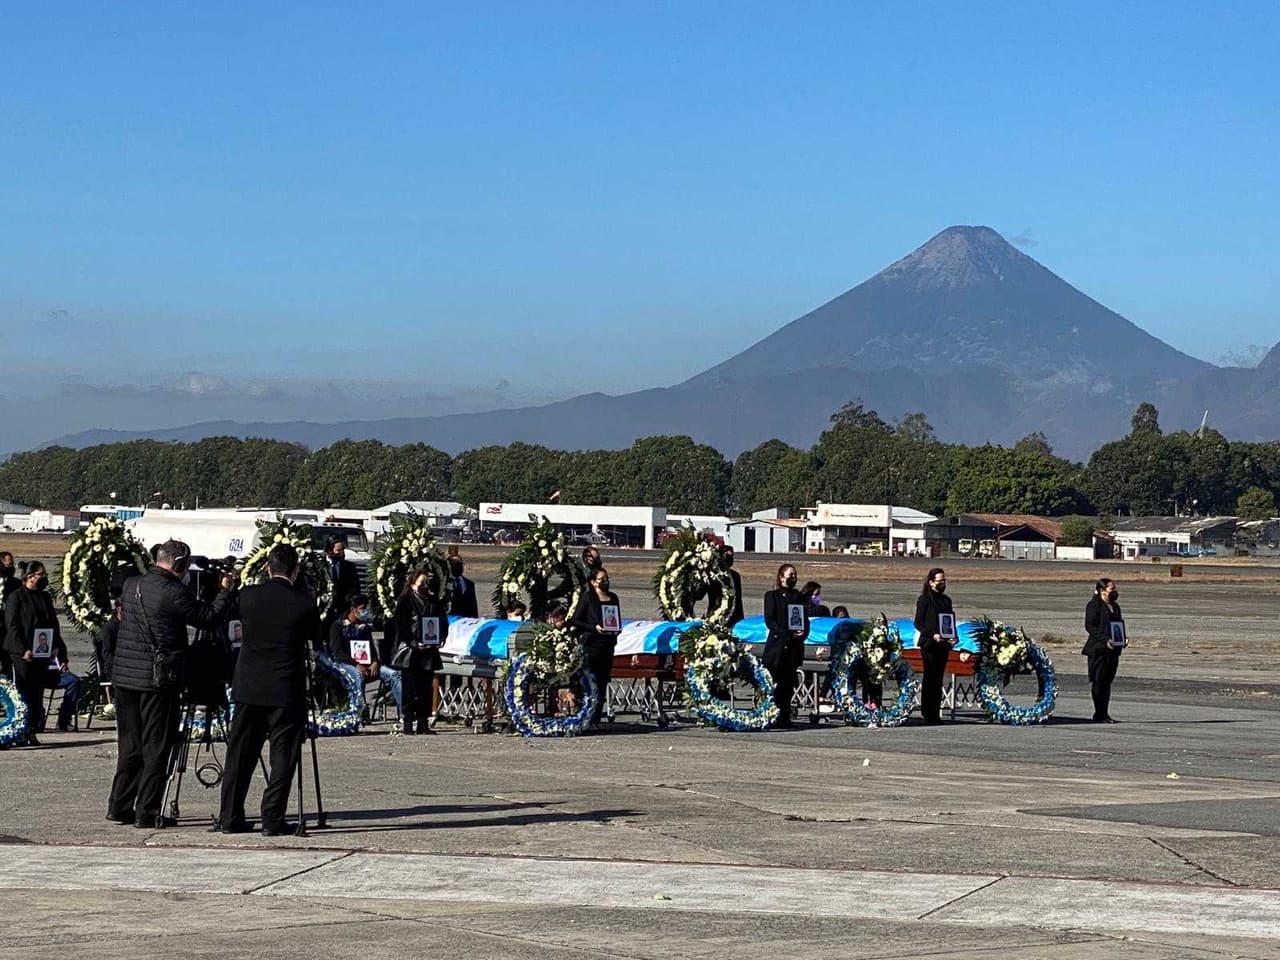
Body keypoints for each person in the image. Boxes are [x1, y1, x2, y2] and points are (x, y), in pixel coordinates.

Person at [108, 540, 235, 828]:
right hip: (157, 680)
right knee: (156, 746)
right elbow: (207, 619)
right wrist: (225, 591)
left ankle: (119, 805)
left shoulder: (132, 585)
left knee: (130, 744)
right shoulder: (173, 591)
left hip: (126, 677)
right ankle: (147, 810)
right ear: (177, 564)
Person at [215, 543, 317, 835]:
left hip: (249, 686)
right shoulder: (303, 603)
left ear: (267, 568)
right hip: (285, 688)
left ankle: (230, 817)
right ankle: (272, 818)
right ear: (295, 571)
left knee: (239, 756)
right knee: (282, 757)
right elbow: (315, 636)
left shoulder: (248, 596)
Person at [4, 562, 63, 744]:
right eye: (41, 574)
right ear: (30, 576)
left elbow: (53, 624)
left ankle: (32, 729)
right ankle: (21, 730)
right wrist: (23, 649)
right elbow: (12, 626)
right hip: (22, 652)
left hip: (42, 651)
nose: (44, 577)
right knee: (23, 692)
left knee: (37, 692)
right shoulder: (16, 597)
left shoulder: (44, 597)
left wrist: (57, 649)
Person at [392, 568, 448, 735]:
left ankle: (423, 722)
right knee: (409, 688)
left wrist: (440, 637)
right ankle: (408, 723)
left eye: (427, 583)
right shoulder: (405, 601)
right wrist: (413, 642)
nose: (425, 586)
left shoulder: (433, 600)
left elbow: (442, 621)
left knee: (426, 688)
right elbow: (401, 625)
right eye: (421, 583)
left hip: (429, 650)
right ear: (412, 583)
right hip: (410, 652)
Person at [327, 593, 402, 714]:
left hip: (368, 664)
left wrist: (375, 662)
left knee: (395, 675)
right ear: (353, 610)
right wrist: (356, 664)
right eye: (362, 609)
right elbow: (338, 651)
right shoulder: (338, 626)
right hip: (347, 664)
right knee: (358, 675)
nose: (365, 611)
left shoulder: (366, 627)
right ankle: (361, 711)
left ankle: (404, 713)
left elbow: (372, 648)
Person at [571, 566, 621, 727]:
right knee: (590, 681)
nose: (605, 582)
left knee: (602, 681)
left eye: (606, 578)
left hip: (607, 644)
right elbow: (575, 620)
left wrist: (616, 629)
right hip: (591, 644)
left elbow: (616, 617)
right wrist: (594, 627)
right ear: (593, 582)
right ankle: (586, 716)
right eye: (601, 579)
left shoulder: (613, 597)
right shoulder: (588, 598)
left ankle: (597, 718)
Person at [762, 563, 808, 727]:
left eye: (795, 575)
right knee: (775, 683)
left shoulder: (798, 596)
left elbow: (804, 618)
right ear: (782, 577)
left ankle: (785, 716)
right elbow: (770, 621)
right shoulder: (771, 596)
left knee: (788, 684)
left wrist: (803, 634)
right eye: (790, 575)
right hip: (777, 647)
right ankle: (772, 714)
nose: (793, 578)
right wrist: (787, 634)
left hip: (793, 648)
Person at [913, 567, 955, 725]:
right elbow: (918, 623)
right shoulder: (924, 599)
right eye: (939, 581)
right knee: (929, 677)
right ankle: (927, 712)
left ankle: (935, 713)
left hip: (943, 645)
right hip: (929, 643)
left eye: (944, 581)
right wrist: (932, 634)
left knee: (938, 679)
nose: (943, 583)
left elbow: (949, 621)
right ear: (931, 583)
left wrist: (952, 637)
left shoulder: (946, 600)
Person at [1083, 578, 1124, 723]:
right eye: (1111, 589)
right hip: (1098, 649)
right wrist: (1104, 640)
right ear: (1102, 591)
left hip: (1113, 650)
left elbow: (1119, 624)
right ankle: (1099, 713)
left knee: (1107, 683)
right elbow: (1090, 626)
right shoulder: (1094, 605)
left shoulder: (1115, 606)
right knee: (1098, 682)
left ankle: (1104, 712)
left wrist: (1123, 638)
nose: (1115, 592)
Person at [323, 536, 361, 630]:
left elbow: (355, 587)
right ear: (329, 551)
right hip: (324, 611)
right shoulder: (320, 566)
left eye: (343, 550)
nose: (342, 553)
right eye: (338, 550)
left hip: (343, 609)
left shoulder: (349, 567)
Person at [0, 552, 20, 676]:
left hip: (8, 629)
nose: (10, 566)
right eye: (8, 563)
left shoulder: (16, 584)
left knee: (7, 662)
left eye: (12, 563)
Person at [722, 547, 746, 626]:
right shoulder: (713, 575)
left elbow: (738, 599)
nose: (729, 559)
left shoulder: (735, 575)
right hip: (718, 614)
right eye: (726, 556)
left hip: (734, 616)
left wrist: (740, 617)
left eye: (731, 557)